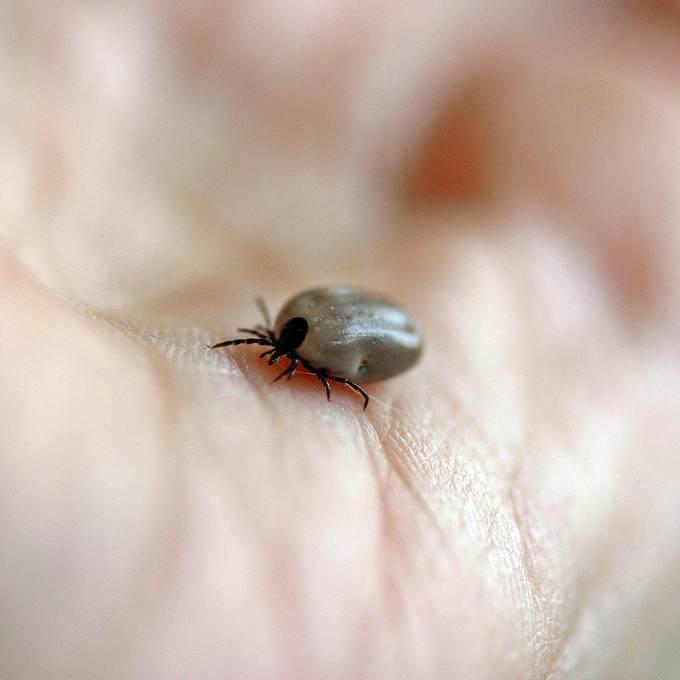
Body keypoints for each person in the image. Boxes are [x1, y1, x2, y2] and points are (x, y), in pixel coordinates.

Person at [2, 1, 679, 678]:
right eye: (277, 341)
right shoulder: (300, 336)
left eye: (276, 344)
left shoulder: (308, 332)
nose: (270, 349)